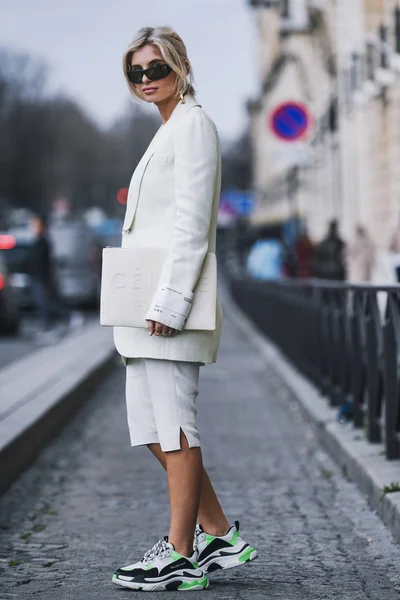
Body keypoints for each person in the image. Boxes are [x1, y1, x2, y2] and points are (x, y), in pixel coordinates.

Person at [110, 27, 258, 592]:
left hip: (169, 309)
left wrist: (170, 303)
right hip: (145, 310)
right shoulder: (170, 128)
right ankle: (219, 534)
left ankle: (179, 554)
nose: (147, 81)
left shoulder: (194, 127)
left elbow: (192, 226)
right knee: (150, 428)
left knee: (174, 428)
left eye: (156, 69)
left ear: (182, 66)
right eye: (136, 73)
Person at [28, 214, 83, 342]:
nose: (34, 227)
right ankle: (52, 325)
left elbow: (44, 263)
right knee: (45, 304)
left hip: (41, 279)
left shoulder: (44, 243)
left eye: (36, 225)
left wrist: (45, 279)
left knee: (46, 304)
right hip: (37, 279)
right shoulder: (38, 242)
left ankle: (62, 321)